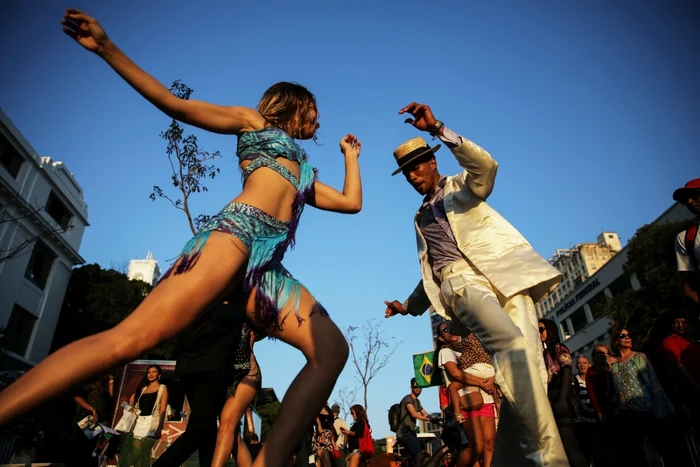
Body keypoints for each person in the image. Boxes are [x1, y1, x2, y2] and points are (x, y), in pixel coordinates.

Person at [0, 9, 361, 467]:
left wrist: (351, 156)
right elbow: (176, 105)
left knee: (331, 350)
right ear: (296, 105)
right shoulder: (254, 123)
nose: (319, 120)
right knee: (130, 340)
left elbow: (351, 203)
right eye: (314, 111)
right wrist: (108, 48)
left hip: (265, 268)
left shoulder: (306, 173)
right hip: (235, 235)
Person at [383, 102, 566, 466]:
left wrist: (438, 129)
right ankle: (551, 461)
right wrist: (409, 306)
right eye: (405, 172)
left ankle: (510, 460)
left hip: (506, 278)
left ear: (432, 162)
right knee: (512, 347)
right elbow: (432, 270)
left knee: (531, 370)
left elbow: (487, 167)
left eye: (415, 166)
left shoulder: (461, 188)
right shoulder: (420, 217)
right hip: (462, 283)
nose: (411, 176)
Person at [152, 302, 245, 467]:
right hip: (212, 369)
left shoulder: (199, 305)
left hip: (188, 368)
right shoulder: (234, 311)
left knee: (207, 428)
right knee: (200, 427)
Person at [436, 321, 497, 467]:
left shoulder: (469, 346)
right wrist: (482, 382)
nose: (450, 331)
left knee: (490, 445)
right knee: (477, 447)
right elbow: (456, 374)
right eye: (445, 330)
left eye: (451, 327)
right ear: (441, 338)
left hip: (486, 398)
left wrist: (492, 379)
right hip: (466, 400)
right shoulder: (445, 351)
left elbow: (489, 364)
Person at [610, 328, 675, 465]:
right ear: (616, 341)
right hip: (626, 414)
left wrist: (661, 409)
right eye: (623, 336)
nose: (627, 338)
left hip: (647, 410)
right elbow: (613, 390)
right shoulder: (613, 363)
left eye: (629, 335)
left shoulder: (639, 357)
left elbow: (653, 382)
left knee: (666, 450)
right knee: (635, 456)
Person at [212, 324, 264, 467]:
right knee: (234, 437)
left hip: (247, 372)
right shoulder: (218, 313)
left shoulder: (248, 316)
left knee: (227, 423)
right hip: (226, 375)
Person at [538, 319, 587, 467]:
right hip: (552, 399)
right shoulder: (545, 352)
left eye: (541, 329)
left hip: (562, 397)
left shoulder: (558, 347)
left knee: (570, 447)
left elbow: (566, 372)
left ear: (550, 330)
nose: (538, 333)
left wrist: (563, 399)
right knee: (563, 449)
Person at [661, 310, 700, 423]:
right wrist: (696, 385)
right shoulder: (670, 341)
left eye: (684, 322)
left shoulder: (691, 340)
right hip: (691, 389)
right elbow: (677, 365)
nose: (680, 325)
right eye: (676, 322)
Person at [673, 178, 700, 305]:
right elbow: (689, 285)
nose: (689, 201)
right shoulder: (685, 238)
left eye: (694, 195)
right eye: (685, 199)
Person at [395, 378, 432, 467]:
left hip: (411, 433)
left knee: (418, 458)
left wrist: (436, 419)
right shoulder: (408, 399)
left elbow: (425, 413)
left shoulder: (417, 401)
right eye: (415, 387)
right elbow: (414, 414)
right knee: (420, 456)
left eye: (420, 387)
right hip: (404, 433)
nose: (418, 389)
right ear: (411, 387)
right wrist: (427, 419)